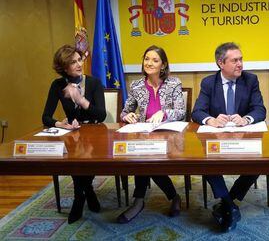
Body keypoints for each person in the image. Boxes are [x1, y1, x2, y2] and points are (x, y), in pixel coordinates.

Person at [192, 42, 266, 232]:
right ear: (220, 63)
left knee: (259, 162)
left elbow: (260, 109)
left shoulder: (250, 80)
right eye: (235, 60)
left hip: (244, 138)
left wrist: (247, 119)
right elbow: (197, 111)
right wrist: (210, 120)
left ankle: (227, 202)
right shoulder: (209, 82)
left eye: (241, 59)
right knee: (205, 162)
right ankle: (230, 205)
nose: (240, 64)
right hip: (217, 139)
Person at [117, 45, 185, 223]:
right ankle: (161, 199)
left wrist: (163, 113)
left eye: (155, 60)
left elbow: (180, 111)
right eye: (147, 59)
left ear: (163, 65)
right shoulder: (136, 85)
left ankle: (142, 201)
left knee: (147, 161)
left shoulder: (174, 83)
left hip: (169, 136)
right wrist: (128, 115)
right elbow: (125, 112)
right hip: (144, 134)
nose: (149, 63)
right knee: (143, 159)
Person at [42, 45, 106, 224]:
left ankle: (79, 198)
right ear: (64, 67)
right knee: (74, 157)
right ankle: (88, 191)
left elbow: (101, 115)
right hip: (72, 135)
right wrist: (60, 123)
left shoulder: (94, 83)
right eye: (73, 62)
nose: (79, 64)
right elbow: (46, 117)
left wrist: (80, 100)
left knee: (85, 157)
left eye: (80, 60)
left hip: (95, 134)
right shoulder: (57, 85)